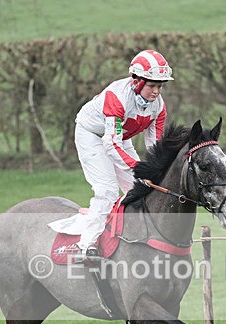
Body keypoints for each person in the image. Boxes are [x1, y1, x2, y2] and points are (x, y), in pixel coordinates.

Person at [49, 49, 173, 260]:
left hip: (118, 138)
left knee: (142, 188)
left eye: (160, 86)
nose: (156, 92)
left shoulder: (158, 107)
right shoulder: (117, 98)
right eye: (152, 86)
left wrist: (157, 169)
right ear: (137, 82)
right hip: (92, 135)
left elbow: (155, 146)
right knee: (106, 190)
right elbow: (110, 144)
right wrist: (137, 167)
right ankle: (85, 245)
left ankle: (133, 238)